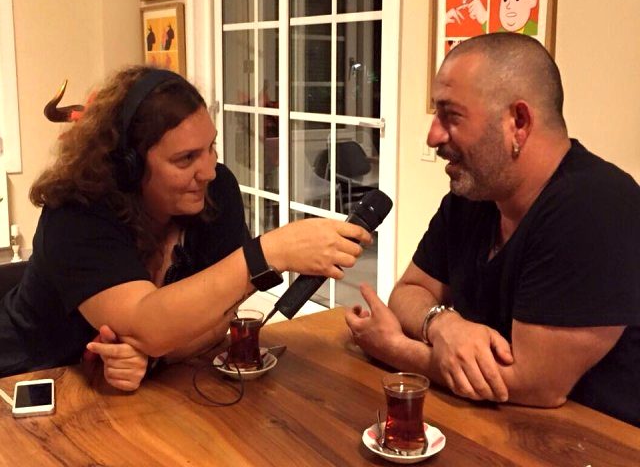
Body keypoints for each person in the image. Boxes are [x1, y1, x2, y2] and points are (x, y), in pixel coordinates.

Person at [0, 66, 371, 392]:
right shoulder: (76, 212)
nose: (208, 171)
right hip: (27, 378)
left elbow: (219, 316)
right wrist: (268, 253)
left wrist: (154, 356)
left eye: (210, 147)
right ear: (129, 166)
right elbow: (147, 323)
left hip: (122, 392)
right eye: (186, 158)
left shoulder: (216, 190)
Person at [346, 33, 639, 427]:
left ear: (518, 123)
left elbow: (534, 384)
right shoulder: (475, 195)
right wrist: (444, 324)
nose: (432, 136)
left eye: (451, 116)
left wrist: (395, 348)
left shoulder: (594, 205)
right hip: (489, 427)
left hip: (593, 441)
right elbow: (409, 292)